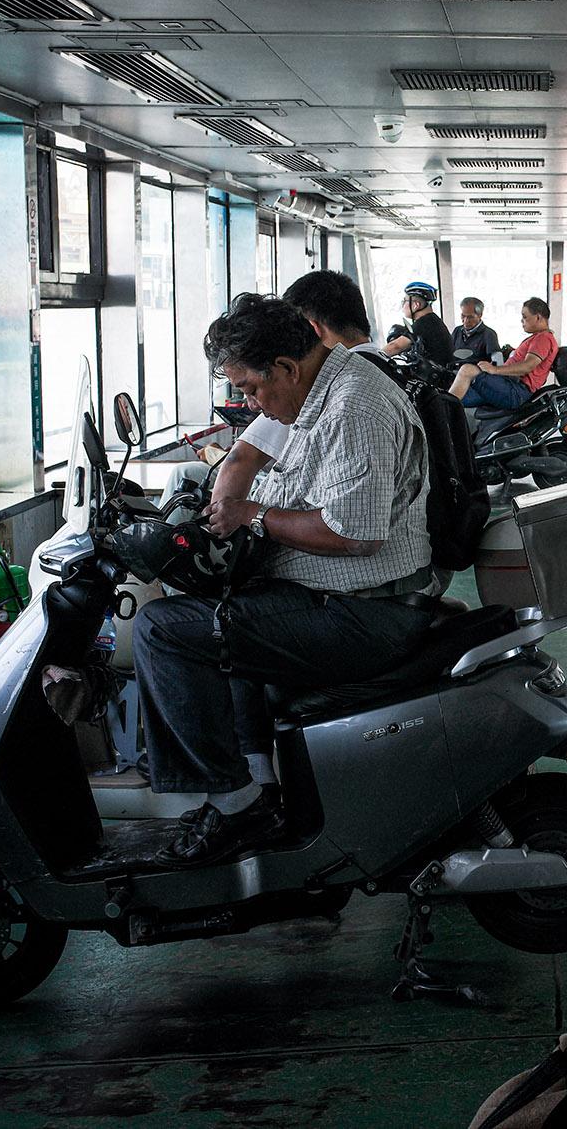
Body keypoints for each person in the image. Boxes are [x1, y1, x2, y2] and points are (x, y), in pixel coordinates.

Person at [141, 294, 434, 866]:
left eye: (251, 389)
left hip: (366, 613)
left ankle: (234, 803)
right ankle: (257, 782)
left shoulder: (354, 407)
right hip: (336, 596)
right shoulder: (314, 393)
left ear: (285, 368)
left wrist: (253, 517)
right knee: (220, 606)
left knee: (163, 631)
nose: (251, 403)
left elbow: (356, 534)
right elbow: (252, 455)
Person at [449, 297, 559, 410]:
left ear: (538, 317)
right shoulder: (537, 338)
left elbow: (528, 366)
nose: (522, 320)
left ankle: (443, 413)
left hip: (516, 391)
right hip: (509, 384)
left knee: (467, 370)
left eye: (525, 317)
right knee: (459, 394)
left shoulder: (543, 338)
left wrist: (494, 369)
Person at [382, 280, 454, 366]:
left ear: (416, 305)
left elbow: (395, 346)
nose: (403, 305)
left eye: (405, 301)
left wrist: (373, 356)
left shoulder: (424, 323)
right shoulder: (432, 320)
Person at [451, 296, 501, 365]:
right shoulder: (457, 331)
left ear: (480, 315)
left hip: (475, 373)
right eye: (463, 316)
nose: (465, 321)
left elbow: (498, 363)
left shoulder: (489, 334)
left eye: (470, 317)